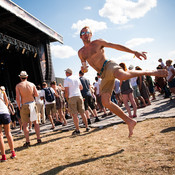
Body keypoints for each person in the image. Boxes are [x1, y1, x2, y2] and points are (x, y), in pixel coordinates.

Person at [78, 26, 168, 137]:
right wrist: (84, 69)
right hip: (103, 75)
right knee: (105, 102)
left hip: (108, 65)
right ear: (81, 36)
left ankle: (148, 72)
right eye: (83, 32)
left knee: (122, 76)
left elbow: (115, 46)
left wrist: (134, 52)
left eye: (88, 32)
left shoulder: (98, 42)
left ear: (91, 34)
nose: (86, 34)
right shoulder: (81, 52)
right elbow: (84, 68)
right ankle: (129, 121)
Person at [16, 71, 41, 147]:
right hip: (32, 103)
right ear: (26, 77)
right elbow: (36, 94)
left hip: (24, 104)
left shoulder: (18, 86)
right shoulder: (32, 84)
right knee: (35, 122)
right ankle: (38, 138)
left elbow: (17, 98)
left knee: (25, 124)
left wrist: (19, 106)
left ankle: (27, 141)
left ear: (20, 77)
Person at [64, 68, 90, 135]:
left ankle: (77, 129)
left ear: (67, 73)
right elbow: (81, 88)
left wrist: (67, 98)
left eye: (66, 72)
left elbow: (66, 91)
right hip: (79, 95)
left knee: (74, 114)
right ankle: (87, 127)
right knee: (82, 112)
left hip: (72, 97)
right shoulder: (76, 78)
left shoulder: (66, 79)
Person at [0, 87, 16, 161]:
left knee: (0, 135)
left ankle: (3, 156)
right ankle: (13, 152)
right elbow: (7, 102)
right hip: (5, 112)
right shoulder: (2, 91)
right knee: (8, 133)